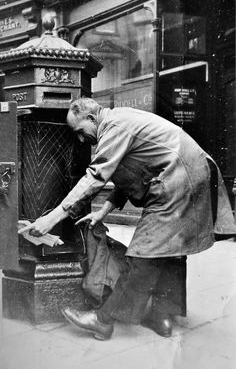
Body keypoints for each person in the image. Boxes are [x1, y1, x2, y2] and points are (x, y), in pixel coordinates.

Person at [18, 98, 236, 340]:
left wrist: (53, 217)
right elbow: (136, 168)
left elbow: (96, 176)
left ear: (91, 118)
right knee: (172, 249)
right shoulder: (122, 119)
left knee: (143, 252)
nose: (81, 139)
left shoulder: (113, 127)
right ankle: (163, 316)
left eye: (80, 131)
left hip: (177, 180)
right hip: (193, 172)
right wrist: (103, 211)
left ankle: (102, 320)